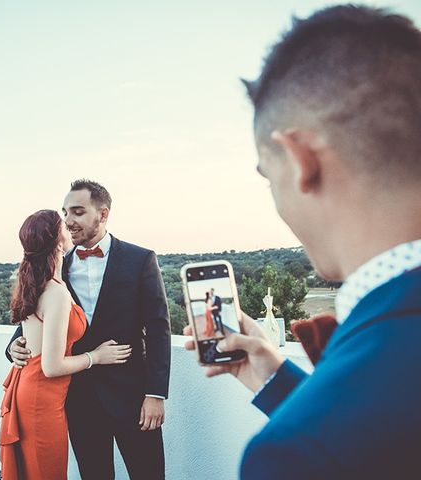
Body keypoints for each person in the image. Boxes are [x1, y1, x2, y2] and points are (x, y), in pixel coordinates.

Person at [185, 5, 421, 479]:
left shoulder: (295, 453)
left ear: (299, 160)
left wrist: (307, 423)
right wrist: (276, 379)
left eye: (267, 176)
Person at [7, 180, 171, 479]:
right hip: (77, 398)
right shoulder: (57, 266)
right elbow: (35, 313)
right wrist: (14, 345)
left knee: (149, 473)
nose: (69, 221)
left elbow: (159, 328)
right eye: (65, 212)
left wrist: (156, 394)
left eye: (78, 212)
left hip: (132, 395)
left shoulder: (140, 259)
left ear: (103, 214)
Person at [0, 209, 132, 480]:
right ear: (58, 243)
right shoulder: (56, 292)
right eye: (64, 224)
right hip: (42, 397)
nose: (71, 224)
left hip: (35, 390)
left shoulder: (37, 283)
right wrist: (96, 356)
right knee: (47, 472)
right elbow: (52, 366)